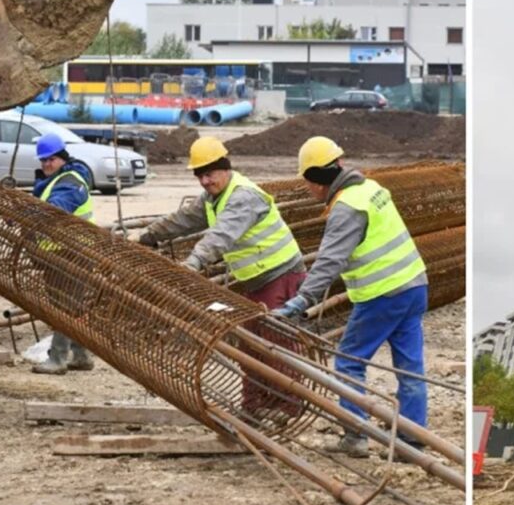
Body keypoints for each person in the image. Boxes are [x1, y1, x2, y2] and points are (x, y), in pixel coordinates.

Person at [272, 136, 428, 458]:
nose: (309, 191)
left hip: (382, 295)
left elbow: (330, 261)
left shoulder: (347, 208)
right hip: (414, 286)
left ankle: (356, 435)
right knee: (410, 368)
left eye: (308, 184)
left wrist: (301, 300)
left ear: (316, 180)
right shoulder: (370, 189)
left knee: (348, 362)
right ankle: (411, 440)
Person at [136, 137, 305, 308]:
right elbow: (184, 218)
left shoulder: (243, 197)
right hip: (259, 279)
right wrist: (146, 235)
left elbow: (221, 235)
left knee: (274, 332)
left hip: (281, 274)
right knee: (257, 329)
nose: (204, 182)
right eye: (199, 176)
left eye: (208, 175)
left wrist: (193, 263)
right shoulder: (213, 197)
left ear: (224, 169)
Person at [29, 132, 98, 375]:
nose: (47, 164)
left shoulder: (71, 182)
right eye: (43, 160)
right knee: (71, 307)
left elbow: (56, 208)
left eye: (51, 159)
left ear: (63, 159)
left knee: (63, 308)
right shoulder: (54, 180)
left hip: (72, 254)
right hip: (58, 254)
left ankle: (57, 359)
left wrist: (28, 210)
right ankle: (81, 356)